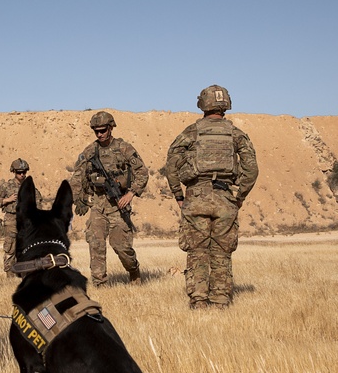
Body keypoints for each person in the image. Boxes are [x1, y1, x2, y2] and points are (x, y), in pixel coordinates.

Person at [165, 85, 257, 309]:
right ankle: (220, 301)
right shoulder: (235, 134)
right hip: (225, 198)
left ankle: (198, 301)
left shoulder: (191, 132)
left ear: (202, 104)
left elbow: (171, 164)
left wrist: (179, 195)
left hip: (196, 197)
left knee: (197, 251)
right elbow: (251, 169)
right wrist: (239, 197)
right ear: (226, 104)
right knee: (221, 252)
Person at [69, 111, 148, 286]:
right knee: (96, 244)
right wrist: (77, 199)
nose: (99, 134)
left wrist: (131, 193)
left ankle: (133, 270)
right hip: (98, 205)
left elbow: (142, 172)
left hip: (118, 206)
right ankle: (100, 284)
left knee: (121, 247)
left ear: (111, 128)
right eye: (96, 131)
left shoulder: (124, 148)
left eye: (103, 130)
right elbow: (77, 177)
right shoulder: (90, 151)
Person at [0, 159, 43, 276]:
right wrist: (7, 200)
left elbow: (39, 203)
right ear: (14, 172)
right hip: (11, 220)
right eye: (19, 172)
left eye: (24, 172)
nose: (22, 175)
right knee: (10, 248)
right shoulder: (6, 186)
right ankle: (10, 276)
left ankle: (26, 274)